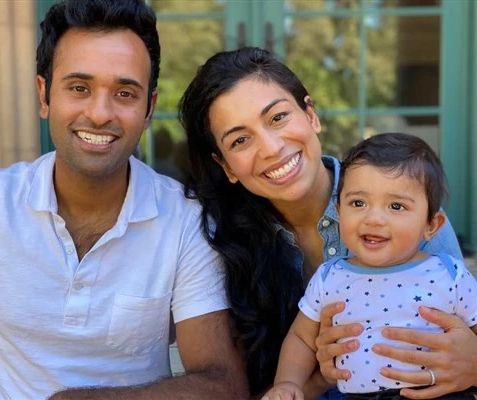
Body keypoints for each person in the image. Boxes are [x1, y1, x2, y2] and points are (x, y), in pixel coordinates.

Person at [0, 1, 248, 399]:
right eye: (78, 88)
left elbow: (221, 384)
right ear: (44, 95)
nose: (100, 113)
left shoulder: (184, 223)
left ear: (148, 110)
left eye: (125, 93)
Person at [178, 47, 477, 399]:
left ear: (311, 115)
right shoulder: (223, 246)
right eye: (241, 140)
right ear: (226, 165)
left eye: (278, 117)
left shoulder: (409, 214)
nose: (271, 148)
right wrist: (317, 378)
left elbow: (464, 336)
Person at [264, 133, 477, 400]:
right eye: (358, 203)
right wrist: (287, 384)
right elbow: (301, 338)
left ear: (431, 225)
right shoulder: (330, 278)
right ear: (339, 211)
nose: (374, 218)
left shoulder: (449, 274)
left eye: (396, 206)